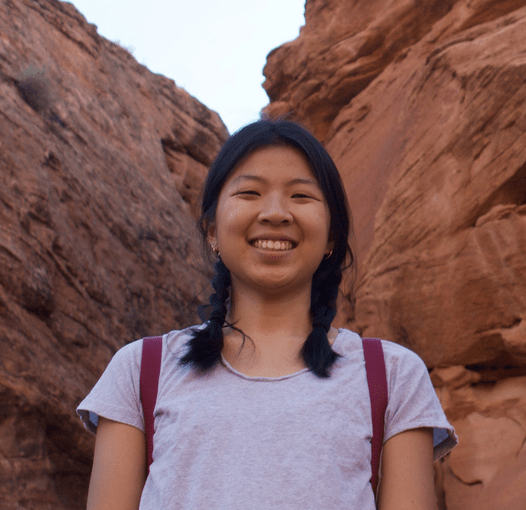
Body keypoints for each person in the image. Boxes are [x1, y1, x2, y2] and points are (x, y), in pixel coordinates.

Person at [77, 119, 458, 510]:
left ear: (331, 235)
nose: (276, 213)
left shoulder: (392, 376)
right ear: (212, 230)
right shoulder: (140, 370)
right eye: (250, 193)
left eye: (301, 196)